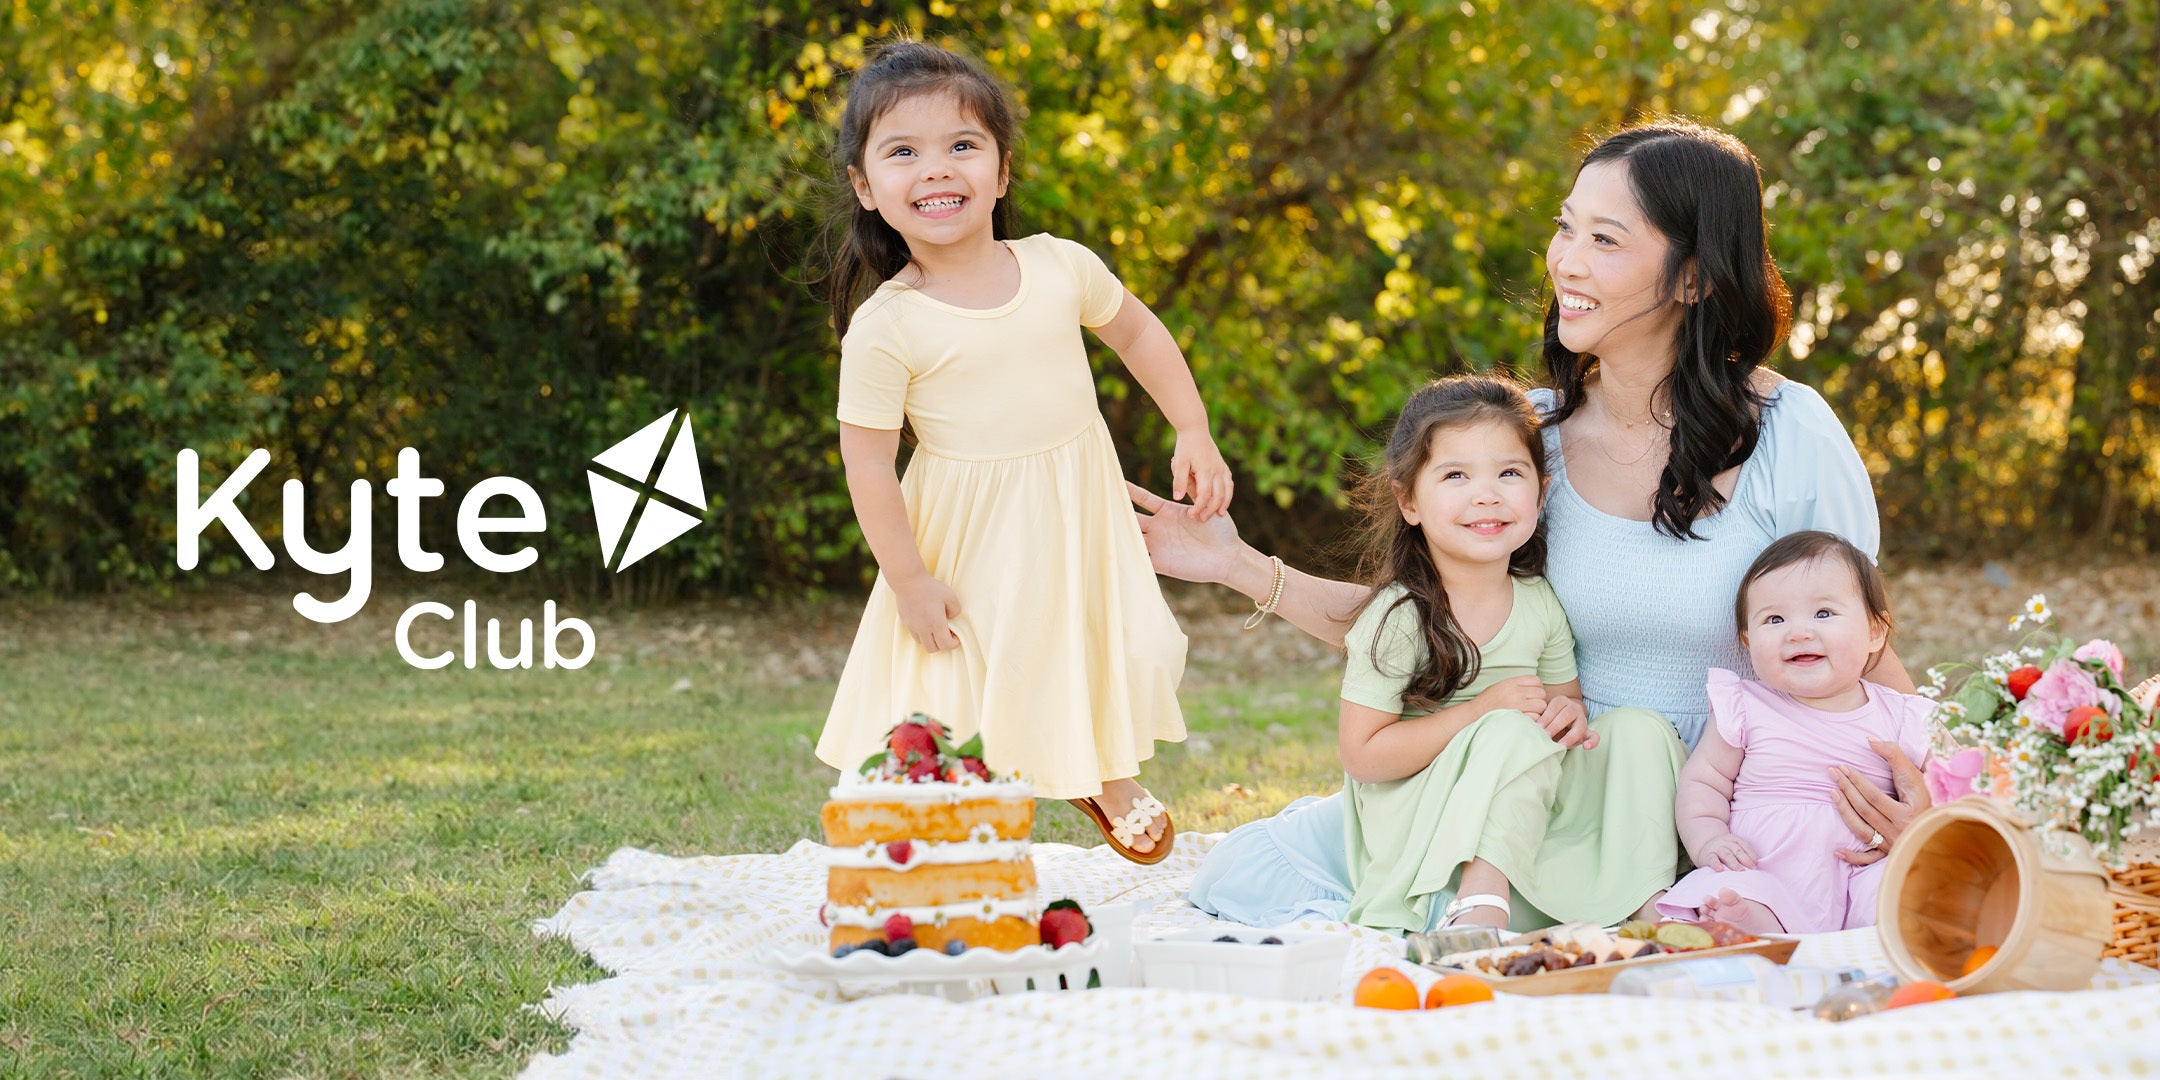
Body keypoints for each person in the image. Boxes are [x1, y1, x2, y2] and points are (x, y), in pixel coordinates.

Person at [1143, 119, 1931, 916]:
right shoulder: (1530, 441)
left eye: (1606, 239)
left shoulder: (1791, 432)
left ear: (1692, 278)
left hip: (1728, 815)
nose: (1567, 262)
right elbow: (1417, 622)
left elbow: (1865, 644)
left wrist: (1931, 794)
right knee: (1246, 876)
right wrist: (1236, 564)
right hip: (1544, 792)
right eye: (1565, 227)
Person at [813, 41, 1232, 862]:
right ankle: (953, 833)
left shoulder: (1057, 266)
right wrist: (908, 579)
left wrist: (1193, 428)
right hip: (968, 531)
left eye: (962, 145)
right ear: (867, 188)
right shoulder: (888, 325)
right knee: (966, 678)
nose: (937, 169)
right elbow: (867, 464)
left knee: (1106, 642)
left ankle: (1099, 768)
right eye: (903, 152)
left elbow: (1137, 332)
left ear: (1001, 171)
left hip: (1075, 505)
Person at [1194, 374, 1686, 934]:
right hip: (1423, 818)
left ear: (1541, 492)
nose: (1487, 494)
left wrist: (1567, 715)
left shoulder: (1539, 602)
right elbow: (1364, 756)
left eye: (1510, 473)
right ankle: (1477, 901)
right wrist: (1482, 714)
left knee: (1640, 730)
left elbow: (1564, 702)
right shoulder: (1400, 617)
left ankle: (1647, 895)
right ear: (1409, 501)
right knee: (1508, 729)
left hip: (1522, 802)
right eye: (1456, 475)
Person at [1658, 531, 1935, 933]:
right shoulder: (1745, 706)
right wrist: (1708, 841)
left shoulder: (1900, 714)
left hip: (1864, 869)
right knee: (1735, 892)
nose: (1798, 632)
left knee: (1904, 893)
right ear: (1748, 642)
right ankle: (1743, 922)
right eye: (1774, 619)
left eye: (1823, 613)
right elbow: (1704, 781)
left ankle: (1886, 941)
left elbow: (1941, 788)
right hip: (1763, 866)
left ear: (1875, 631)